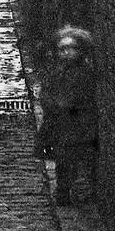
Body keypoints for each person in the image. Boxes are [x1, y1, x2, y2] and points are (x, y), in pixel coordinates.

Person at [35, 24, 99, 205]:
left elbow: (75, 99)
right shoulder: (58, 71)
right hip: (60, 124)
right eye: (62, 49)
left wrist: (58, 104)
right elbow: (47, 91)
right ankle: (63, 192)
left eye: (71, 49)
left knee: (78, 158)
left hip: (78, 124)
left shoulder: (84, 74)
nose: (66, 53)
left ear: (81, 51)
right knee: (62, 159)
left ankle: (77, 191)